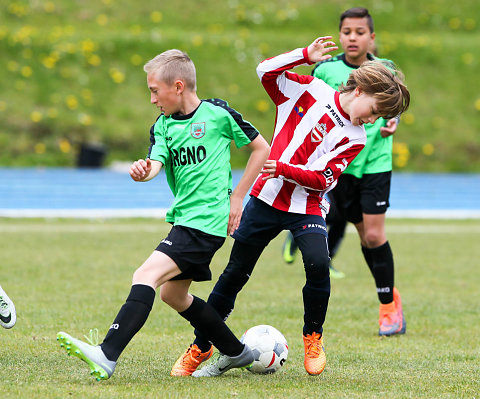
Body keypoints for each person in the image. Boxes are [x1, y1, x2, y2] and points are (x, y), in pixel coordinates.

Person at [172, 36, 410, 377]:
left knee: (317, 263)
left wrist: (283, 168)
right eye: (375, 111)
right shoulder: (309, 90)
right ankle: (202, 344)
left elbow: (323, 178)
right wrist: (303, 55)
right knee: (235, 273)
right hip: (266, 198)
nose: (372, 121)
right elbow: (265, 72)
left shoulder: (356, 137)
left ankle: (313, 337)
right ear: (360, 90)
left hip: (306, 206)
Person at [56, 49, 270, 380]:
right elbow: (156, 163)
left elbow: (261, 147)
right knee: (174, 294)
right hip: (186, 219)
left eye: (155, 91)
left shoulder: (217, 114)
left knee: (145, 275)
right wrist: (144, 170)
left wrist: (238, 197)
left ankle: (107, 354)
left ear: (179, 86)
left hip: (206, 220)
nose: (152, 99)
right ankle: (236, 352)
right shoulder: (164, 126)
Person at [310, 7, 407, 337]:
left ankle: (389, 309)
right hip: (339, 166)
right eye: (347, 31)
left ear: (371, 38)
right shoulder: (325, 70)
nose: (352, 37)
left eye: (359, 32)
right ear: (340, 36)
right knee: (346, 228)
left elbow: (395, 108)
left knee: (374, 235)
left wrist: (393, 122)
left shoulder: (387, 70)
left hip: (376, 164)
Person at [282, 192, 347, 279]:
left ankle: (326, 262)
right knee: (330, 212)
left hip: (345, 183)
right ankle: (296, 234)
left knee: (342, 217)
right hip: (325, 183)